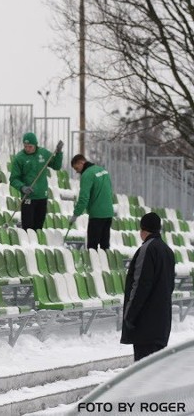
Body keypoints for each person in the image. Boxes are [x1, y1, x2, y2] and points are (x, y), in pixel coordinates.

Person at [121, 212, 175, 362]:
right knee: (155, 371)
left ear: (143, 230)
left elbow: (140, 285)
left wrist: (130, 315)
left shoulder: (147, 249)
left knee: (143, 370)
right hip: (161, 323)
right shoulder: (168, 251)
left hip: (145, 324)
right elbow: (170, 285)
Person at [9, 132, 63, 230]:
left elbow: (57, 166)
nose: (28, 149)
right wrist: (22, 187)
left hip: (42, 196)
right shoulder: (19, 158)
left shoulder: (44, 153)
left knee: (38, 228)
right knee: (28, 228)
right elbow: (13, 179)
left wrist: (59, 153)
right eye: (25, 146)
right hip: (28, 197)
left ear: (35, 144)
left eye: (30, 146)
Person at [69, 154, 115, 249]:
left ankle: (94, 264)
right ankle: (104, 263)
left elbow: (83, 198)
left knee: (92, 247)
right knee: (105, 245)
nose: (77, 172)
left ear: (81, 162)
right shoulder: (103, 170)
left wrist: (75, 214)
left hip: (97, 214)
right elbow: (110, 189)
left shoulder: (87, 175)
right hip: (109, 212)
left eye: (77, 168)